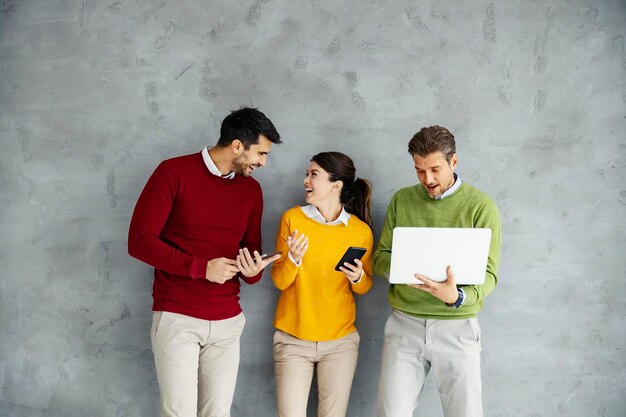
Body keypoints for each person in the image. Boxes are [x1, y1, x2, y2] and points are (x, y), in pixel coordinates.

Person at [128, 107, 283, 417]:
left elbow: (249, 254)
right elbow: (139, 242)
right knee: (179, 413)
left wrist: (252, 272)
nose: (264, 163)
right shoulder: (173, 172)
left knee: (218, 414)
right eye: (261, 153)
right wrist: (200, 268)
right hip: (178, 317)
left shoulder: (251, 190)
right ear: (237, 146)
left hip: (228, 320)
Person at [374, 125, 502, 417]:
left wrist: (455, 296)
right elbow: (380, 259)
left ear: (453, 162)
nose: (427, 179)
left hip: (458, 327)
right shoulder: (402, 200)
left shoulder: (481, 206)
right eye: (419, 170)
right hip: (405, 325)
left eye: (434, 169)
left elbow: (490, 276)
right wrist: (408, 265)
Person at [271, 152, 374, 417]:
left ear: (336, 185)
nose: (306, 180)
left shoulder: (360, 231)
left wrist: (357, 278)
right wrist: (293, 258)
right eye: (307, 174)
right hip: (293, 339)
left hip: (340, 342)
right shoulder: (292, 220)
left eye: (313, 174)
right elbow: (279, 281)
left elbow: (365, 287)